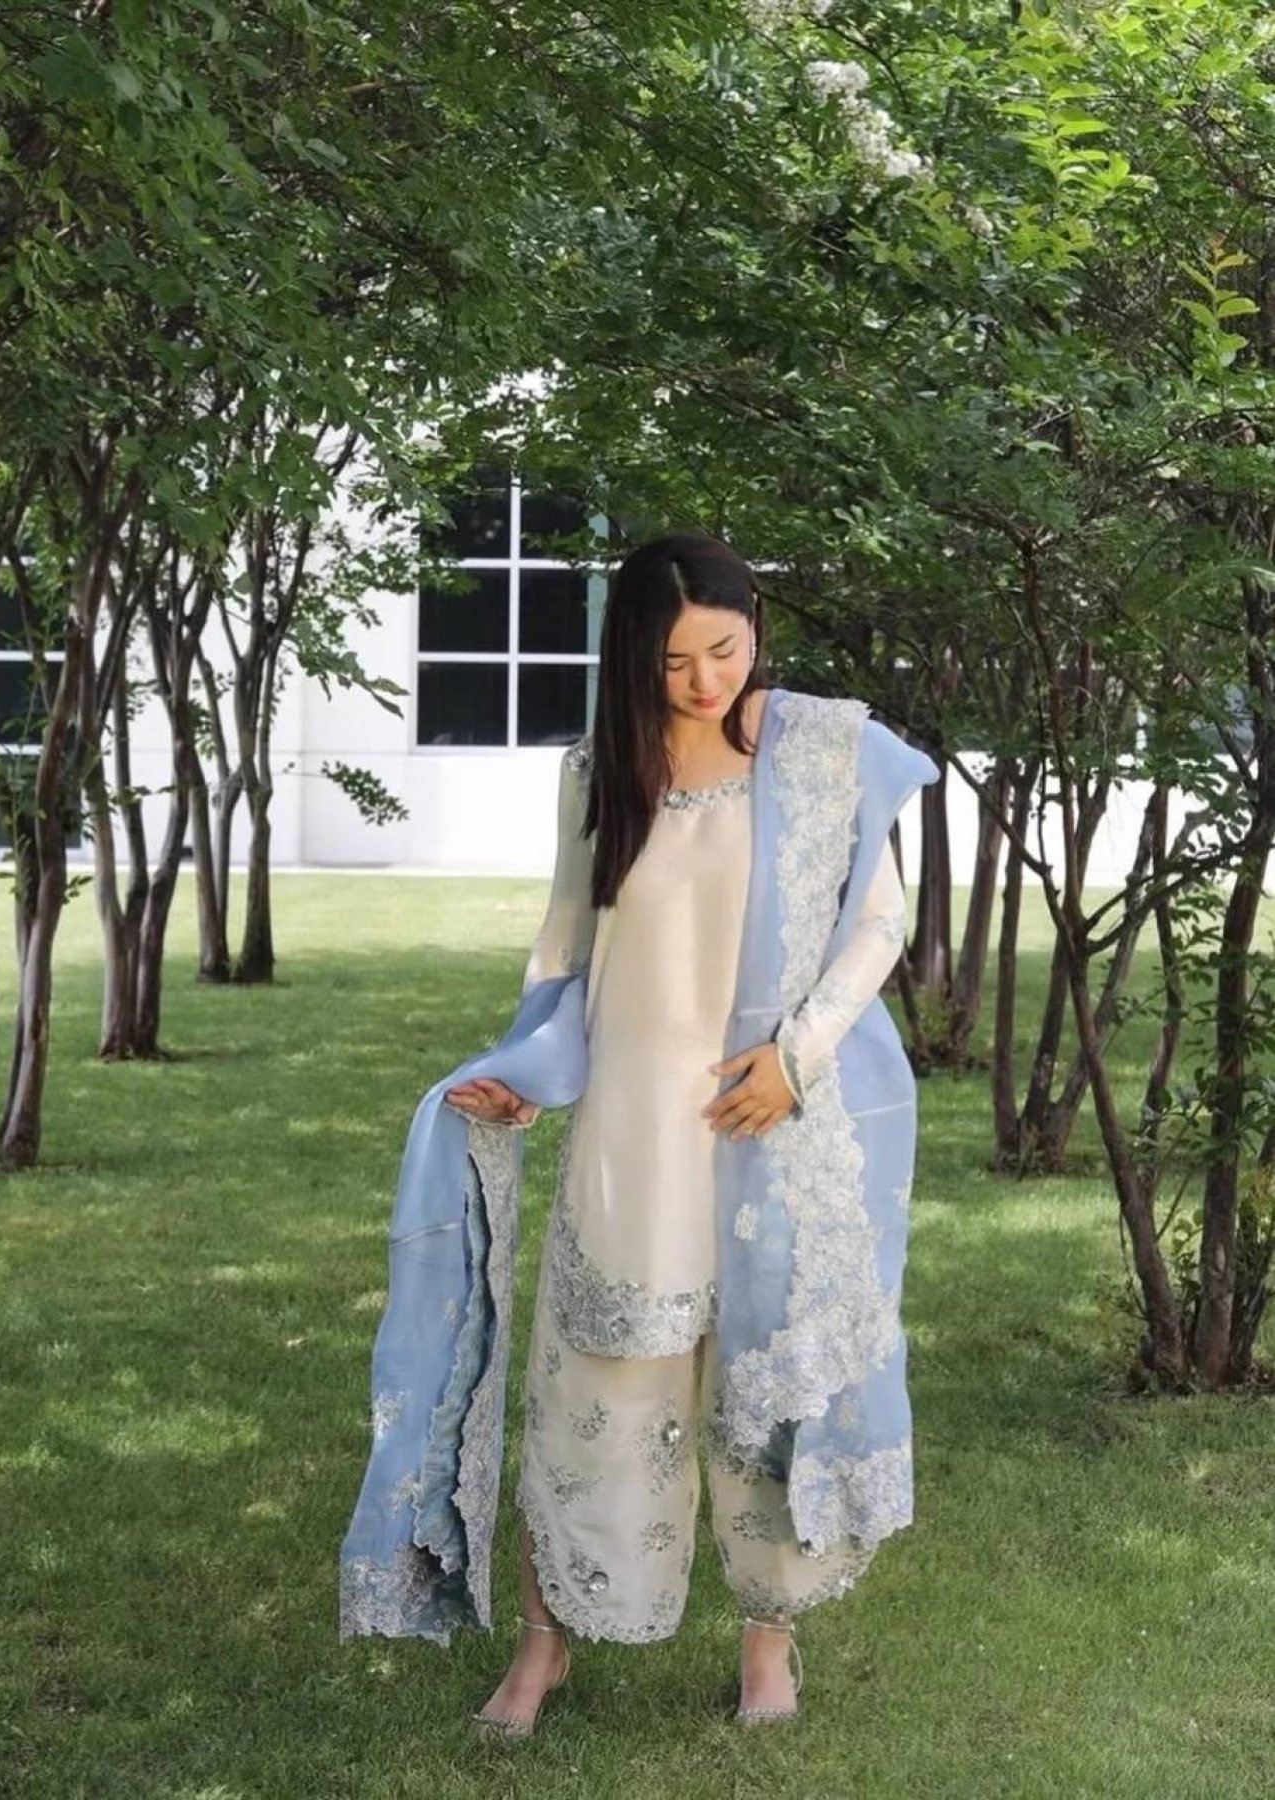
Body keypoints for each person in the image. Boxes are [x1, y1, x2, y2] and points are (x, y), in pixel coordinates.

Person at [338, 530, 936, 1739]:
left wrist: (797, 1058)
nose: (705, 680)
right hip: (633, 1128)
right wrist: (523, 1074)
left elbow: (882, 920)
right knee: (596, 1380)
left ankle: (768, 1642)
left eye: (725, 648)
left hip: (774, 1120)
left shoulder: (822, 749)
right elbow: (566, 954)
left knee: (767, 1385)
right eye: (673, 662)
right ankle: (543, 1643)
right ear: (631, 660)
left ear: (755, 627)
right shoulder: (599, 770)